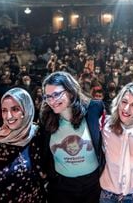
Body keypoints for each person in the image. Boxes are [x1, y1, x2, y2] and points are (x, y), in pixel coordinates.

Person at [40, 71, 104, 203]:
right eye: (48, 96)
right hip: (61, 186)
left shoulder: (93, 109)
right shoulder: (46, 118)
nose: (52, 101)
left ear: (70, 91)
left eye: (57, 94)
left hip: (93, 184)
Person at [0, 87, 45, 202]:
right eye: (4, 110)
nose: (9, 116)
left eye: (15, 109)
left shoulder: (37, 135)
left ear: (26, 110)